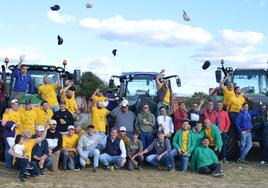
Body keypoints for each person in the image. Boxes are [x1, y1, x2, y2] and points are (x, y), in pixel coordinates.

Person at [2, 99, 22, 168]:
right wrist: (13, 125)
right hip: (9, 133)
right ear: (11, 105)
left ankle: (13, 164)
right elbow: (3, 123)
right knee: (9, 149)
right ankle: (8, 164)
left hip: (17, 133)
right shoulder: (8, 112)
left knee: (15, 148)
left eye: (17, 105)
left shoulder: (19, 111)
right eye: (14, 105)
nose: (16, 106)